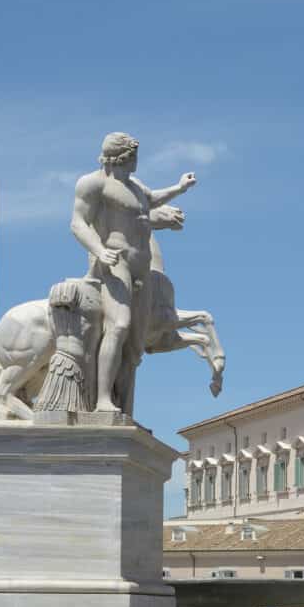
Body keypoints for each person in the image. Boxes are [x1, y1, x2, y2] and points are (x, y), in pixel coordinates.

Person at [68, 133, 199, 415]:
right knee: (118, 326)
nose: (137, 160)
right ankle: (103, 398)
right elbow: (78, 223)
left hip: (143, 266)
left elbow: (151, 200)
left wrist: (179, 188)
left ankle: (124, 406)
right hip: (117, 263)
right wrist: (100, 250)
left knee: (136, 344)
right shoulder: (93, 183)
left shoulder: (135, 185)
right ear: (123, 157)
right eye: (134, 155)